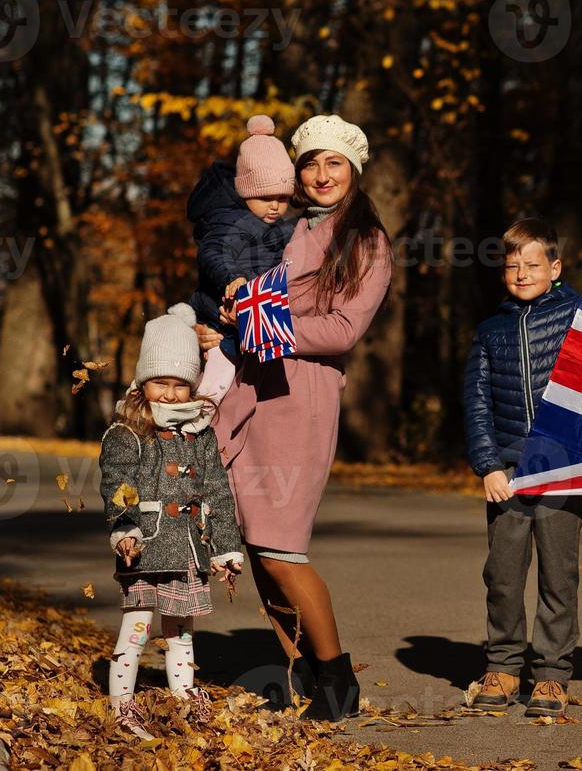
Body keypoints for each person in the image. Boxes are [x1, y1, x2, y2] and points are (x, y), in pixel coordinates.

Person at [205, 113, 392, 722]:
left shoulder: (365, 240)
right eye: (309, 163)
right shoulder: (278, 226)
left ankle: (337, 682)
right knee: (256, 547)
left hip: (300, 397)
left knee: (282, 547)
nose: (319, 174)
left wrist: (262, 327)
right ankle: (301, 677)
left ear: (354, 171)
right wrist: (222, 321)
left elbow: (343, 328)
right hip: (247, 389)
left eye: (332, 163)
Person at [99, 304, 244, 739]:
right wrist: (124, 526)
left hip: (189, 549)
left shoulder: (201, 430)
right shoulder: (127, 432)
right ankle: (121, 705)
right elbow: (117, 483)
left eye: (182, 385)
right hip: (144, 544)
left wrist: (224, 547)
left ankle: (183, 698)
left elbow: (217, 492)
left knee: (181, 630)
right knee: (138, 624)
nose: (171, 394)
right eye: (161, 382)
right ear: (144, 382)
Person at [462, 218, 582, 718]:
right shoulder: (491, 331)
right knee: (504, 575)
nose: (522, 272)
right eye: (512, 266)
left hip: (563, 472)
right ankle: (504, 666)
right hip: (507, 476)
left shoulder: (580, 320)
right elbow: (477, 404)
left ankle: (551, 674)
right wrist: (489, 465)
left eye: (533, 264)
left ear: (554, 268)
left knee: (559, 575)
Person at [186, 114, 297, 365]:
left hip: (249, 322)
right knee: (219, 380)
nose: (275, 206)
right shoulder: (228, 220)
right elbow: (212, 252)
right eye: (265, 197)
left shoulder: (277, 225)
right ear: (246, 192)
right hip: (220, 318)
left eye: (282, 198)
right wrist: (233, 276)